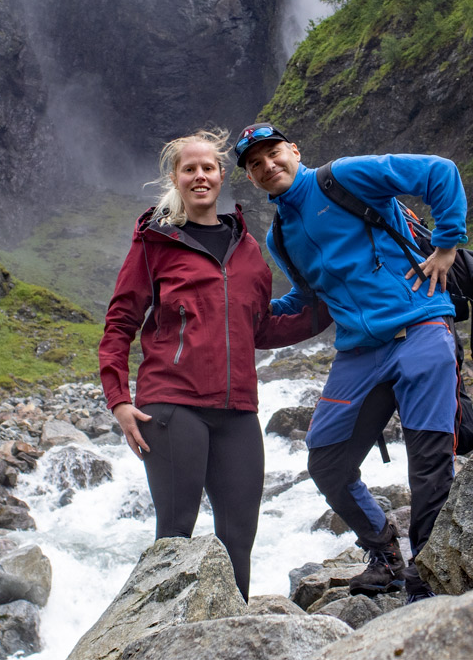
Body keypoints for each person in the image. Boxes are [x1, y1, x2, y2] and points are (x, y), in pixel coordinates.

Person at [235, 122, 466, 603]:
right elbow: (311, 299)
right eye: (255, 164)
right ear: (251, 178)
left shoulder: (343, 177)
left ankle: (428, 574)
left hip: (420, 327)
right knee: (327, 462)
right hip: (360, 351)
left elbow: (439, 173)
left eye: (274, 153)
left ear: (294, 151)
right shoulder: (280, 235)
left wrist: (446, 245)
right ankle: (384, 553)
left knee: (427, 463)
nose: (267, 166)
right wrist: (252, 319)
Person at [98, 129, 325, 601]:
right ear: (176, 178)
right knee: (175, 536)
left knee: (238, 539)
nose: (200, 176)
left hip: (238, 410)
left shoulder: (247, 248)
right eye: (189, 169)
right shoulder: (153, 242)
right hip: (171, 406)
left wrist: (327, 311)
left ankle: (230, 635)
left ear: (223, 176)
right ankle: (159, 639)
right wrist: (118, 400)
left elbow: (258, 328)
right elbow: (120, 321)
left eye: (208, 168)